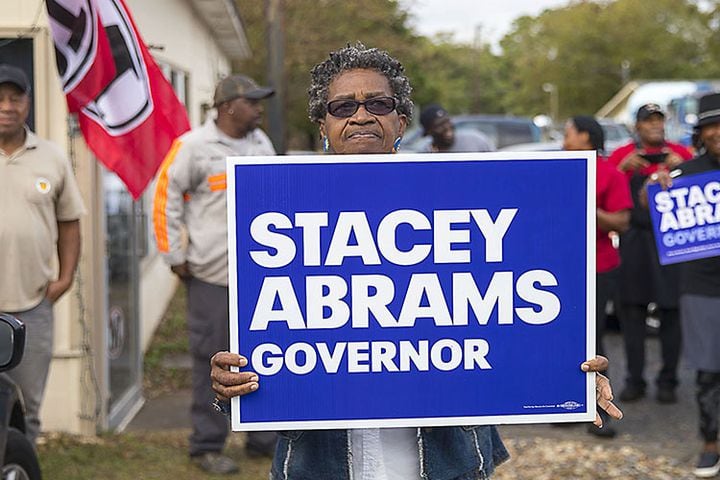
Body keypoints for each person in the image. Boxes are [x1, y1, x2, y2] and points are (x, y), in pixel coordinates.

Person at [208, 43, 623, 480]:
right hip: (320, 464)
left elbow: (512, 311)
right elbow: (265, 339)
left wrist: (567, 372)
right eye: (343, 105)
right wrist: (229, 383)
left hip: (447, 464)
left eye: (379, 103)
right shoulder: (278, 211)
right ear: (323, 126)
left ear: (400, 121)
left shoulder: (464, 203)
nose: (361, 115)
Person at [152, 74, 277, 474]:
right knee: (212, 359)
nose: (259, 108)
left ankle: (263, 437)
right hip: (213, 277)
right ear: (227, 106)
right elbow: (164, 197)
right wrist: (174, 255)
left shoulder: (261, 145)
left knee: (262, 355)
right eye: (252, 101)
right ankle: (206, 444)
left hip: (261, 277)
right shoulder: (193, 147)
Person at [0, 64, 85, 444]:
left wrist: (65, 278)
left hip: (32, 307)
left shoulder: (51, 157)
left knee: (27, 407)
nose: (7, 106)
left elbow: (70, 222)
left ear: (28, 104)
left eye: (15, 98)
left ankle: (20, 463)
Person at [645, 92, 720, 478]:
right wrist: (656, 187)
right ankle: (710, 443)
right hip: (702, 286)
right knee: (707, 370)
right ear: (701, 133)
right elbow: (648, 202)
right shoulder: (687, 173)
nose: (719, 132)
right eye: (712, 125)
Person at [607, 103, 693, 403]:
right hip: (635, 239)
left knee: (672, 311)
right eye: (649, 121)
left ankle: (668, 380)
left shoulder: (681, 153)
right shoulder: (622, 156)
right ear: (638, 126)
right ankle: (634, 379)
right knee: (631, 312)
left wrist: (680, 165)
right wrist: (622, 170)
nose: (655, 125)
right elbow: (605, 188)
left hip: (673, 240)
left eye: (659, 120)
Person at [563, 116, 633, 437]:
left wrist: (583, 208)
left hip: (598, 268)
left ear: (586, 137)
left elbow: (620, 222)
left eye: (569, 133)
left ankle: (598, 411)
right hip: (559, 270)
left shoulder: (610, 174)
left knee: (594, 340)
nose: (564, 139)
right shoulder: (557, 171)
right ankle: (565, 403)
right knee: (562, 339)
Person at [419, 104, 494, 152]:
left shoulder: (476, 140)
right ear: (429, 131)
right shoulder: (425, 154)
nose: (447, 127)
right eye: (439, 125)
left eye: (447, 121)